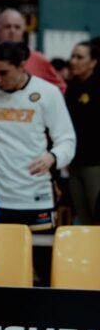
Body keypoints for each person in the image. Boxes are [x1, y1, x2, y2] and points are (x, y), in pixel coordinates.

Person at [0, 41, 76, 232]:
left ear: (21, 66)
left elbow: (67, 140)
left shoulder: (48, 93)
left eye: (4, 73)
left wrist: (52, 157)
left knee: (37, 259)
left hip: (35, 196)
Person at [0, 8, 65, 92]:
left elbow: (60, 88)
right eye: (7, 27)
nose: (12, 31)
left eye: (17, 27)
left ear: (23, 31)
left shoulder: (39, 60)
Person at [65, 40, 99, 224]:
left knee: (97, 215)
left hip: (95, 164)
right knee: (83, 219)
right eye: (72, 56)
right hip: (74, 163)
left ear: (93, 62)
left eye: (79, 57)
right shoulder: (72, 88)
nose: (73, 61)